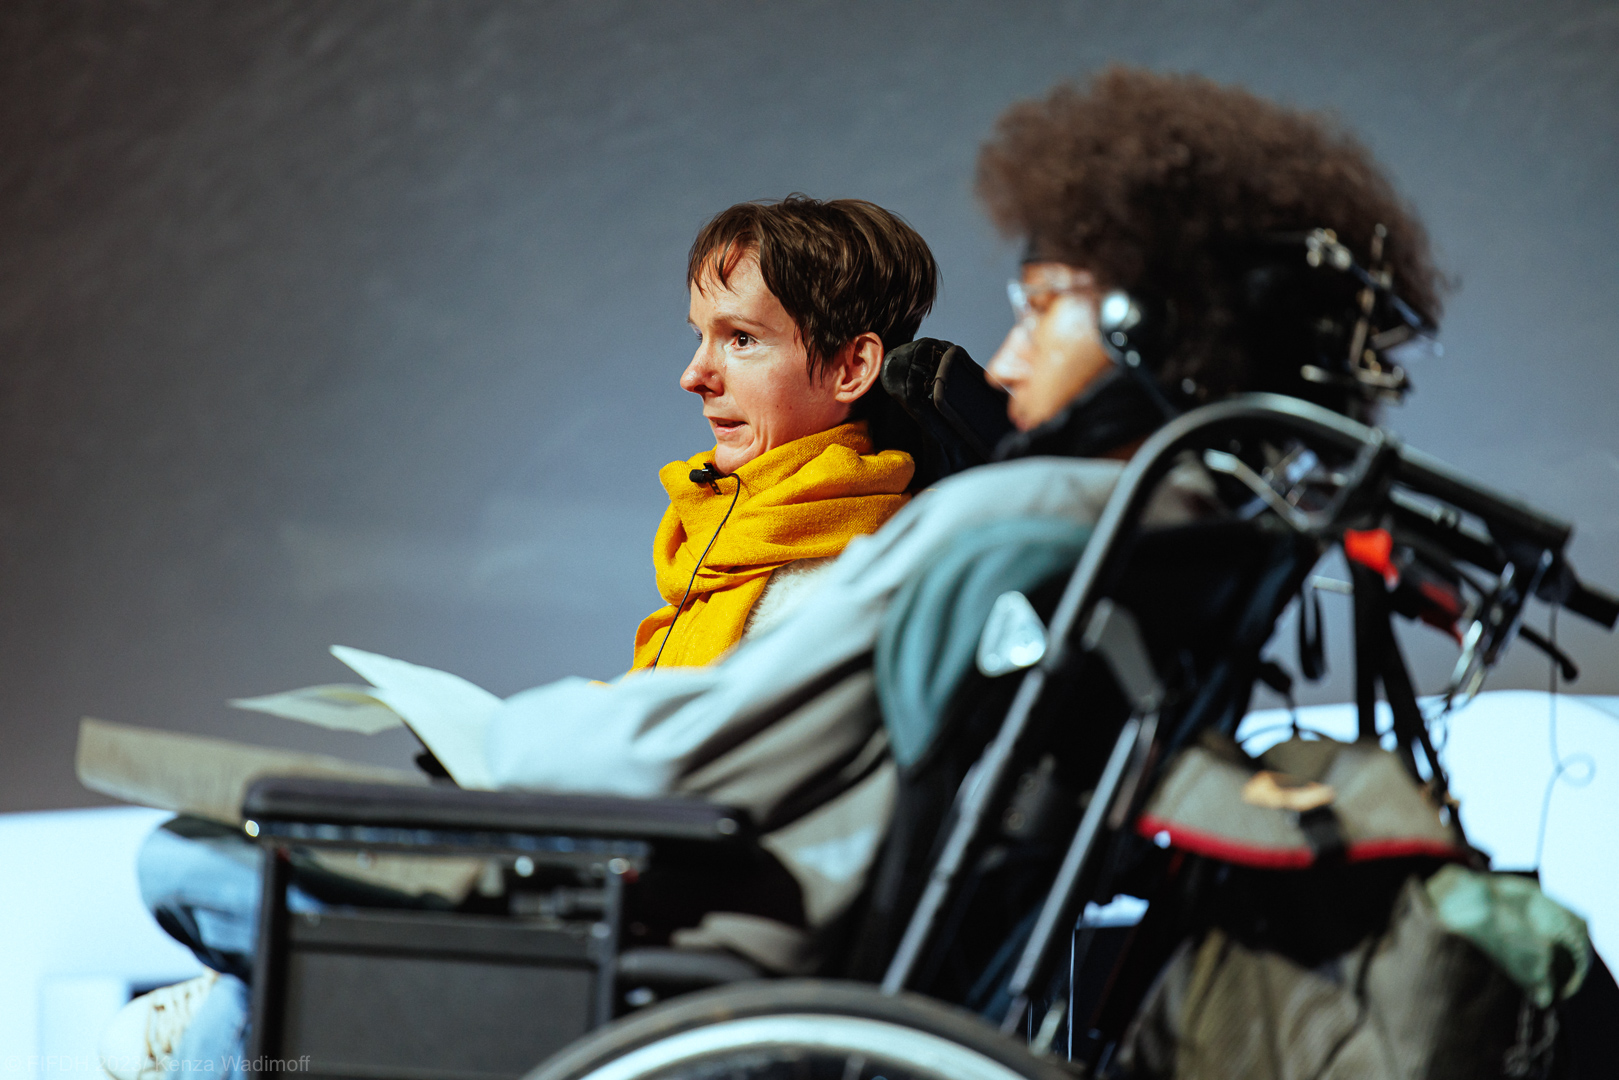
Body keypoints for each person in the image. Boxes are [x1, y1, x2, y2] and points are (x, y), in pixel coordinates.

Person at [101, 195, 940, 1080]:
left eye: (741, 340)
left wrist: (522, 760)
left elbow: (700, 791)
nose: (694, 375)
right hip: (608, 884)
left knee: (187, 864)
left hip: (627, 934)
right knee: (213, 897)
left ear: (850, 367)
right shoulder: (746, 546)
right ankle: (251, 992)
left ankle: (252, 988)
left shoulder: (836, 586)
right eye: (699, 337)